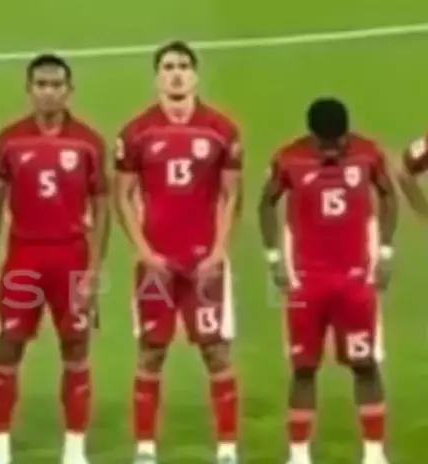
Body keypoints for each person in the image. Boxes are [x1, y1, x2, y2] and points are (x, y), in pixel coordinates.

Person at [114, 41, 242, 464]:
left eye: (184, 66)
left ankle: (227, 448)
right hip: (156, 264)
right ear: (157, 77)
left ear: (195, 75)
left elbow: (232, 195)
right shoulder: (136, 133)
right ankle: (145, 448)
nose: (176, 73)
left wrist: (219, 251)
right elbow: (122, 196)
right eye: (168, 66)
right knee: (151, 351)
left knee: (216, 350)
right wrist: (144, 252)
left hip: (204, 261)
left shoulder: (221, 129)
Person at [258, 98, 397, 464]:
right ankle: (299, 455)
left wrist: (385, 252)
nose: (333, 149)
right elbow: (266, 202)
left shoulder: (368, 154)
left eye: (339, 142)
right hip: (306, 282)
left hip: (356, 280)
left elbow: (388, 194)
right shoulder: (289, 158)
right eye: (325, 143)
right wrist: (274, 257)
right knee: (303, 367)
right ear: (312, 137)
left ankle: (374, 454)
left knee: (365, 364)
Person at [0, 55, 110, 464]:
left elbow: (102, 209)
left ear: (69, 90)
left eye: (56, 84)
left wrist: (93, 272)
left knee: (75, 350)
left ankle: (74, 449)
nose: (49, 92)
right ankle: (0, 446)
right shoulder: (9, 141)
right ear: (29, 90)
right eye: (41, 85)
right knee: (6, 349)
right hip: (23, 259)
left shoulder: (88, 142)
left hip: (71, 258)